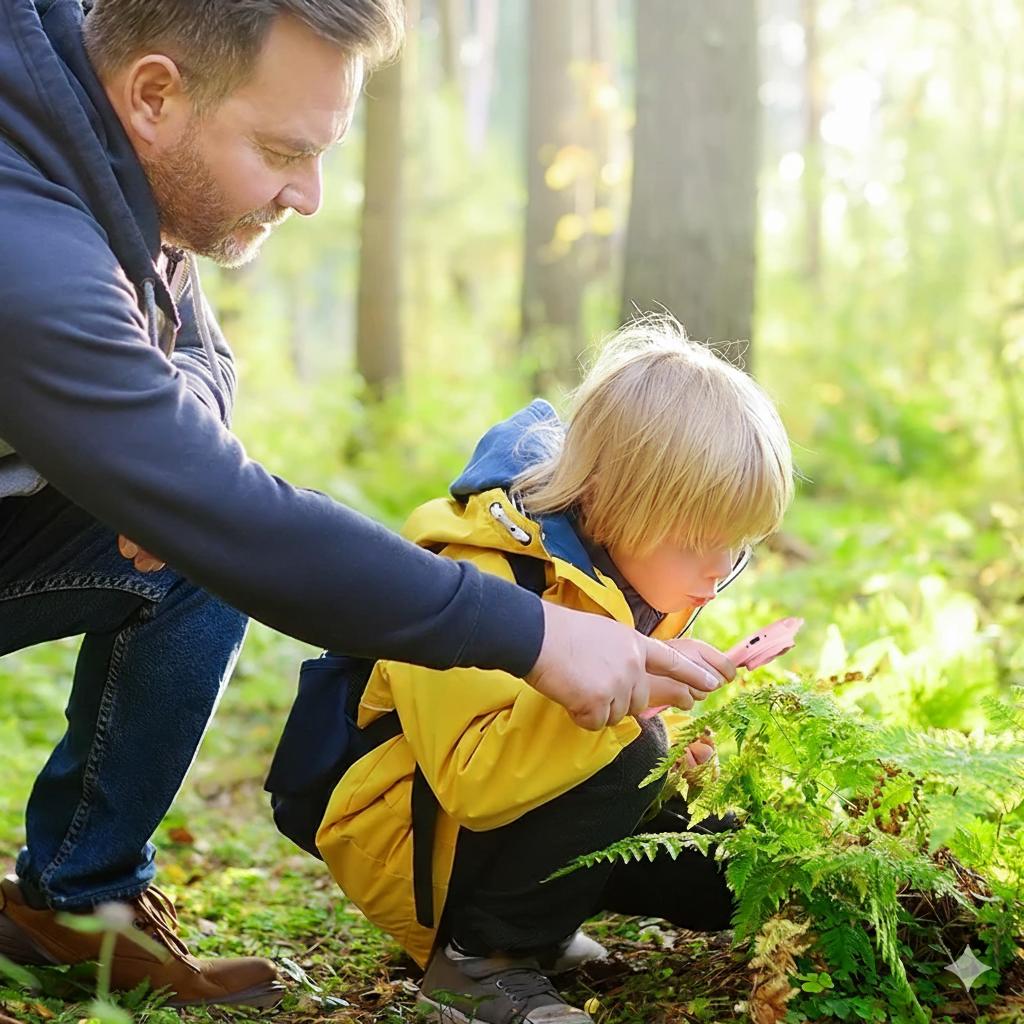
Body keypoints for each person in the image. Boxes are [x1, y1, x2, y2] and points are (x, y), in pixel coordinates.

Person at [0, 0, 729, 1009]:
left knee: (196, 554)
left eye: (323, 151)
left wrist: (157, 453)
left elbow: (200, 350)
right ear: (156, 93)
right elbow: (240, 518)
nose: (308, 193)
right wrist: (534, 636)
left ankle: (77, 904)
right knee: (222, 531)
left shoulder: (89, 135)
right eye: (279, 150)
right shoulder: (24, 236)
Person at [313, 321, 795, 1024]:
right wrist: (641, 709)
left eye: (736, 545)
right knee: (635, 751)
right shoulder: (477, 573)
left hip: (515, 813)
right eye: (697, 541)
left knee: (731, 865)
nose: (717, 573)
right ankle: (481, 960)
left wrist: (685, 735)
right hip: (418, 846)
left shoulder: (628, 569)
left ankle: (544, 915)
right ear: (607, 497)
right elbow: (472, 778)